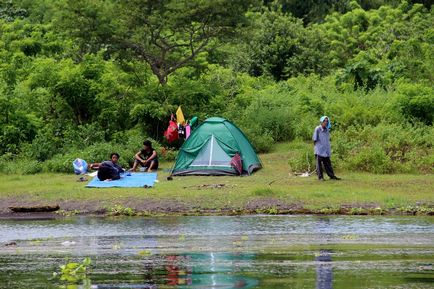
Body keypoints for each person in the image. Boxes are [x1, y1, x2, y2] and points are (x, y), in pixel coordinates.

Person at [312, 116, 340, 181]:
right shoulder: (317, 129)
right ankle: (320, 177)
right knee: (319, 165)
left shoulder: (327, 130)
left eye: (327, 121)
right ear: (321, 122)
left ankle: (332, 176)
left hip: (326, 150)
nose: (326, 122)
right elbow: (314, 139)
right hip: (319, 150)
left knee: (328, 164)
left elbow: (327, 140)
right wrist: (316, 148)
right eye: (324, 121)